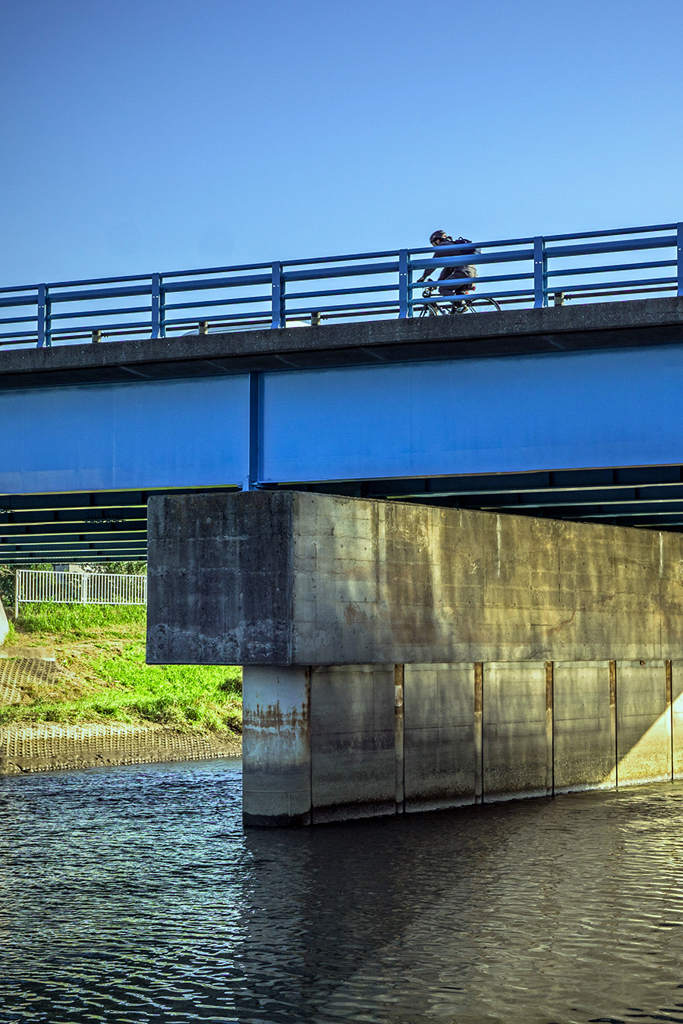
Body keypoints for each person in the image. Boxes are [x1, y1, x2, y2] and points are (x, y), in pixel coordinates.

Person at [417, 230, 479, 298]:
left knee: (443, 288)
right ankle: (461, 306)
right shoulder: (451, 248)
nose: (434, 247)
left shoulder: (443, 246)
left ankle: (460, 305)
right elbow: (447, 271)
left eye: (433, 244)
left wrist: (423, 277)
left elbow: (433, 263)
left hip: (463, 272)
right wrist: (438, 282)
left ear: (437, 240)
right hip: (472, 273)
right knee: (458, 293)